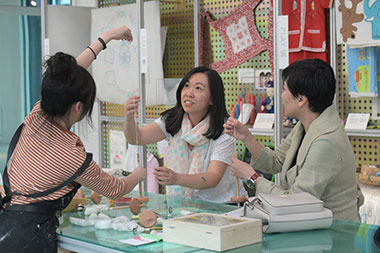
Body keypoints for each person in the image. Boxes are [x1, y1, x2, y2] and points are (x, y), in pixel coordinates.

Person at [0, 25, 146, 252]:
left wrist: (106, 38)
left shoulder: (36, 116)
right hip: (28, 237)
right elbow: (116, 190)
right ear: (79, 107)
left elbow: (68, 80)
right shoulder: (72, 156)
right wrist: (139, 173)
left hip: (5, 220)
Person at [224, 59, 364, 222]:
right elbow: (276, 161)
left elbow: (296, 201)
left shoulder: (326, 141)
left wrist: (253, 178)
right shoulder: (305, 126)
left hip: (333, 236)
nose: (281, 96)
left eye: (284, 90)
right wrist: (246, 137)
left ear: (301, 99)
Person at [123, 66, 245, 203]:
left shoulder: (224, 131)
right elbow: (137, 138)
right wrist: (128, 118)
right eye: (186, 86)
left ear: (212, 99)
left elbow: (212, 178)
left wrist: (177, 178)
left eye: (198, 88)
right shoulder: (173, 120)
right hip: (184, 207)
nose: (189, 93)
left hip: (222, 206)